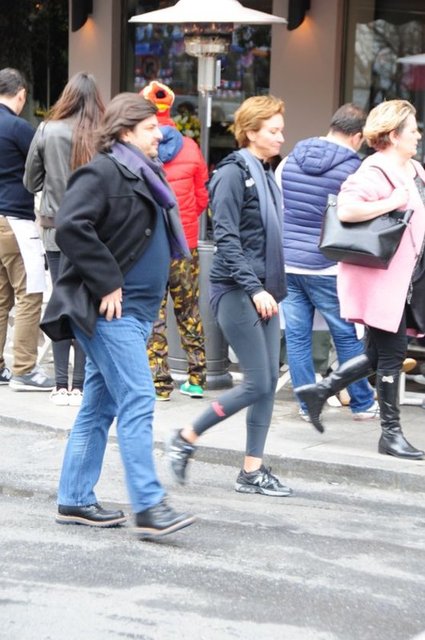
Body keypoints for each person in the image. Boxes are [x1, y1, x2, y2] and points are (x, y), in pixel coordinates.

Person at [40, 93, 195, 538]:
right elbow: (70, 225)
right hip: (111, 313)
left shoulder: (143, 171)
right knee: (139, 397)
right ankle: (148, 506)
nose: (159, 134)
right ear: (126, 131)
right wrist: (108, 280)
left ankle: (74, 498)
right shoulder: (104, 170)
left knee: (98, 406)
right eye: (150, 128)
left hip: (136, 313)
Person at [167, 95, 292, 496]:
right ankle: (186, 436)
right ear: (251, 132)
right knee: (257, 383)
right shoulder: (232, 173)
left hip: (263, 291)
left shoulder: (265, 172)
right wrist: (255, 289)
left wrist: (267, 288)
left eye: (281, 130)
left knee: (267, 382)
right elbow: (226, 238)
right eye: (273, 130)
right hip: (238, 290)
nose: (281, 137)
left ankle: (252, 471)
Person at [296, 99, 425, 460]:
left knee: (374, 354)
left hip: (406, 280)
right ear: (393, 135)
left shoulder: (414, 169)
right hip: (380, 280)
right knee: (392, 356)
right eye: (412, 129)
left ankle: (319, 391)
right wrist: (391, 202)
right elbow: (348, 209)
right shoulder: (374, 169)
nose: (418, 134)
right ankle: (390, 434)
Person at [276, 103, 378, 422]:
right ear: (357, 136)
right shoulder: (355, 170)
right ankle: (362, 403)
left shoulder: (289, 160)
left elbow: (279, 208)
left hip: (288, 262)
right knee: (345, 335)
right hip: (328, 264)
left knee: (297, 337)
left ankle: (308, 406)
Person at [24, 72, 105, 406]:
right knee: (85, 303)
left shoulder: (47, 130)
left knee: (60, 300)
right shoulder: (104, 135)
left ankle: (60, 384)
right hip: (93, 234)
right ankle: (81, 384)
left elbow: (30, 182)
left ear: (67, 97)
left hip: (55, 230)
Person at [141, 80, 208, 400]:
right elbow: (202, 197)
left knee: (154, 313)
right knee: (189, 309)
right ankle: (197, 378)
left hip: (151, 246)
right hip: (186, 243)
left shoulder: (139, 147)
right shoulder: (191, 147)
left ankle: (159, 383)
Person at [0, 67, 54, 391]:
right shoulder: (18, 127)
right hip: (15, 221)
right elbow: (41, 166)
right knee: (30, 293)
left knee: (0, 299)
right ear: (21, 94)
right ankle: (24, 369)